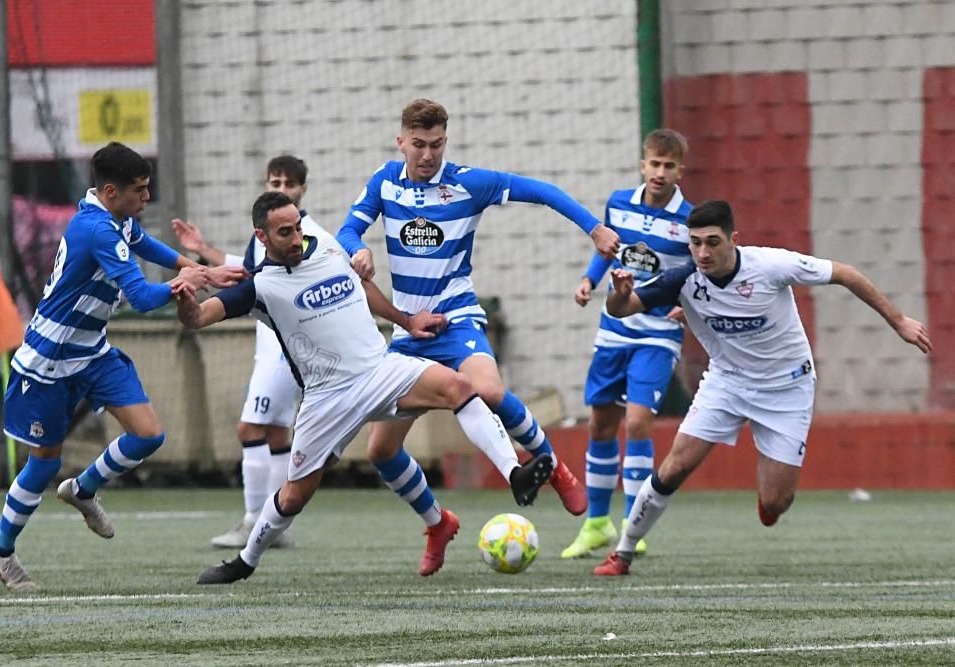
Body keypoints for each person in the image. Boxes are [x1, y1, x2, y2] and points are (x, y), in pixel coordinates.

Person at [186, 191, 554, 584]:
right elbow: (198, 318)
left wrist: (403, 314)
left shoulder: (325, 244)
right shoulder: (259, 287)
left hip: (379, 370)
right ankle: (245, 560)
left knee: (458, 386)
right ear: (262, 237)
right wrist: (185, 295)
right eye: (284, 233)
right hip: (328, 398)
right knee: (294, 495)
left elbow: (360, 280)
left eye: (297, 228)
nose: (295, 238)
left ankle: (514, 473)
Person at [592, 200, 932, 576]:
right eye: (695, 243)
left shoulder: (770, 266)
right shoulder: (683, 278)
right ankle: (622, 554)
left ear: (734, 239)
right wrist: (620, 293)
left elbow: (846, 273)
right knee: (675, 466)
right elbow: (621, 309)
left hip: (787, 387)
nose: (703, 253)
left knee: (776, 502)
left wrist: (898, 320)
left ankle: (769, 498)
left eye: (713, 242)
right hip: (727, 383)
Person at [336, 98, 621, 516]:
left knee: (487, 390)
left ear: (445, 141)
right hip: (408, 334)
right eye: (419, 144)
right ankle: (437, 523)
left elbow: (541, 190)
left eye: (436, 144)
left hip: (455, 319)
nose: (428, 155)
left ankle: (556, 470)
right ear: (401, 142)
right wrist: (357, 248)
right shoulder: (384, 181)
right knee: (380, 450)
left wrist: (594, 228)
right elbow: (347, 230)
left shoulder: (469, 184)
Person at [0, 142, 245, 591]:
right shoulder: (98, 230)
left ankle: (82, 489)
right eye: (140, 191)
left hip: (93, 352)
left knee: (149, 434)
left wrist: (196, 267)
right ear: (109, 191)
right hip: (50, 359)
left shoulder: (119, 221)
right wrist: (187, 281)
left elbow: (145, 243)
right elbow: (142, 298)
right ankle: (0, 552)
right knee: (44, 464)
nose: (146, 197)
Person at [562, 129, 693, 559]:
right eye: (654, 163)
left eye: (668, 165)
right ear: (643, 165)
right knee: (601, 424)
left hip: (658, 335)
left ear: (680, 171)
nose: (660, 172)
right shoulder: (619, 203)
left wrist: (686, 309)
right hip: (615, 329)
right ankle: (596, 524)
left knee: (636, 423)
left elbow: (700, 272)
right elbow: (607, 251)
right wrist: (588, 280)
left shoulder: (689, 221)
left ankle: (635, 524)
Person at [171, 155, 313, 550]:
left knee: (249, 428)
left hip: (282, 349)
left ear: (303, 190)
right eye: (275, 182)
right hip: (273, 344)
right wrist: (202, 250)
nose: (281, 189)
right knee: (275, 431)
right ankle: (276, 526)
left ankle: (255, 521)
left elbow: (265, 280)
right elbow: (248, 270)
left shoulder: (303, 235)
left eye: (289, 184)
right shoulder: (268, 235)